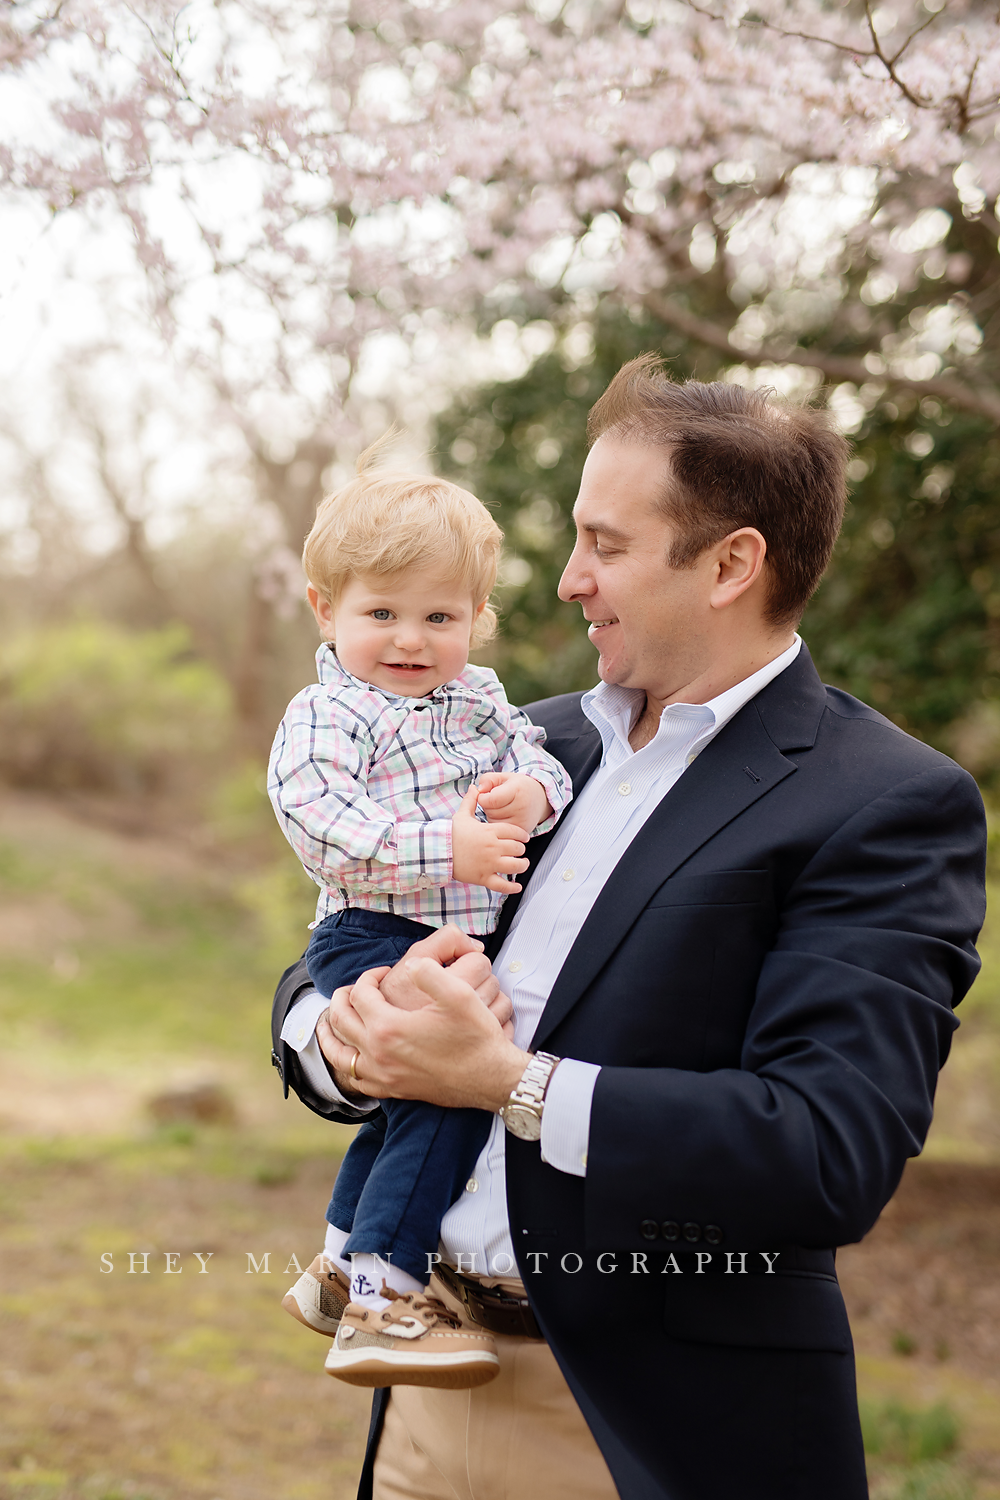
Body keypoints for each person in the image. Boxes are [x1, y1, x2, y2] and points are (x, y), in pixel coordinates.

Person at [272, 357, 987, 1500]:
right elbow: (340, 940)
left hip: (651, 1434)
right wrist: (341, 1037)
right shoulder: (524, 746)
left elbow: (825, 1149)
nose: (566, 582)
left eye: (604, 544)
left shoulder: (884, 802)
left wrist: (505, 1080)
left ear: (730, 564)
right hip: (419, 1395)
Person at [268, 440, 571, 1389]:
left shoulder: (477, 700)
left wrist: (533, 791)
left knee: (408, 1101)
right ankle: (385, 1297)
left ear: (478, 620)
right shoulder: (328, 715)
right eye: (382, 613)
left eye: (439, 616)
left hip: (451, 934)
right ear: (327, 609)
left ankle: (335, 1266)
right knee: (445, 1091)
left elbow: (536, 754)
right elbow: (325, 826)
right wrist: (452, 847)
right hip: (370, 926)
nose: (410, 639)